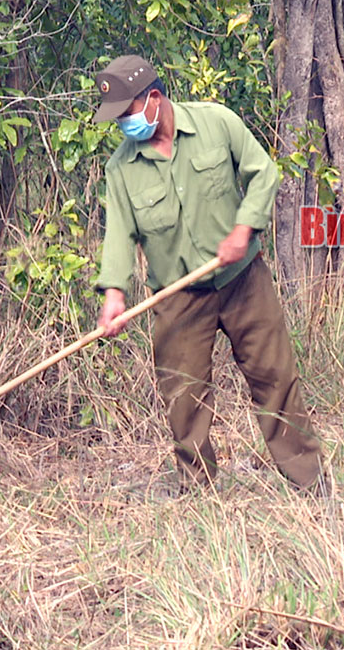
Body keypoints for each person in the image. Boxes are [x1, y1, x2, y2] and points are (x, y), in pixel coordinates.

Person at [90, 54, 324, 490]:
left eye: (126, 114)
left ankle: (309, 480)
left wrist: (244, 227)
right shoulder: (121, 168)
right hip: (177, 298)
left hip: (243, 281)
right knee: (184, 400)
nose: (123, 125)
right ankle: (198, 492)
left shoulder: (217, 123)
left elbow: (263, 174)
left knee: (275, 379)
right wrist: (114, 297)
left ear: (154, 99)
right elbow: (119, 234)